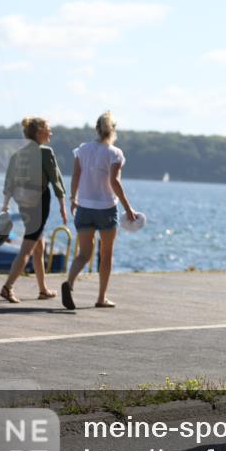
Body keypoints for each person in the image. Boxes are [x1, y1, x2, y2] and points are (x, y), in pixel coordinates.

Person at [61, 112, 137, 310]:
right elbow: (114, 181)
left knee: (83, 254)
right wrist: (128, 208)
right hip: (106, 208)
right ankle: (101, 297)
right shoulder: (115, 153)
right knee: (106, 254)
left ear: (97, 128)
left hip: (84, 207)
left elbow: (76, 175)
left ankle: (69, 283)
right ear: (113, 130)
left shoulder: (82, 150)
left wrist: (73, 198)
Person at [0, 117, 69, 303]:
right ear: (39, 132)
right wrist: (63, 205)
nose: (51, 133)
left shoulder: (18, 154)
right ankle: (8, 287)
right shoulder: (45, 152)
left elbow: (9, 181)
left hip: (24, 203)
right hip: (39, 204)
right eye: (48, 129)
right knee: (27, 248)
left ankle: (43, 289)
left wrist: (5, 204)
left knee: (39, 247)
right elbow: (56, 179)